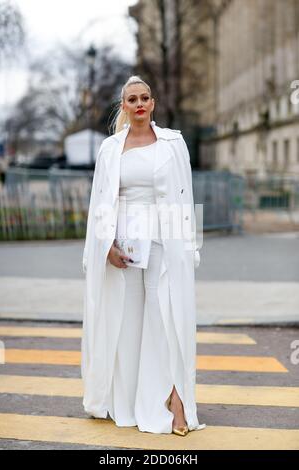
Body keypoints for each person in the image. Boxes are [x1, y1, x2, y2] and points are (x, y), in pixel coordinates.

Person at [81, 75, 206, 436]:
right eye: (132, 99)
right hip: (125, 245)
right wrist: (105, 247)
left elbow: (185, 194)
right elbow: (101, 201)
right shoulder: (110, 149)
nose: (138, 104)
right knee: (127, 324)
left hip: (164, 242)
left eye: (144, 97)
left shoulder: (173, 143)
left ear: (152, 103)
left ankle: (174, 399)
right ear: (124, 106)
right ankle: (129, 401)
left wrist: (191, 247)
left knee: (164, 319)